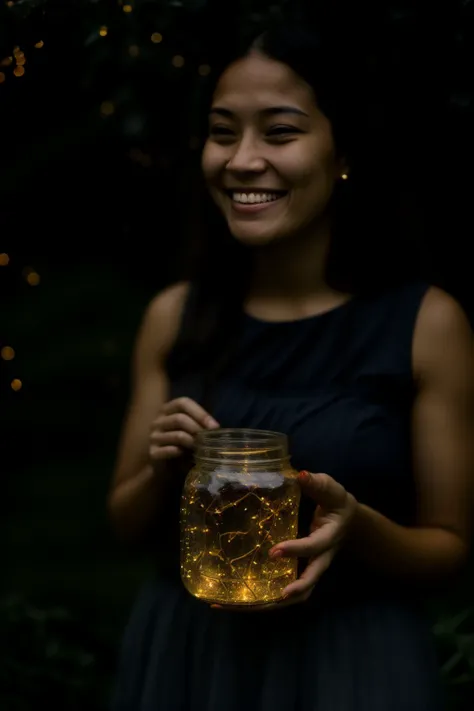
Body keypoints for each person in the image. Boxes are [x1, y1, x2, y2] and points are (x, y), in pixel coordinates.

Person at [108, 19, 473, 711]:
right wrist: (162, 469)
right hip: (189, 661)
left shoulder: (428, 325)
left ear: (342, 149)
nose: (243, 160)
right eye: (223, 132)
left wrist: (358, 526)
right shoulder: (174, 315)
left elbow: (450, 550)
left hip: (354, 664)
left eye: (279, 133)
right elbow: (124, 525)